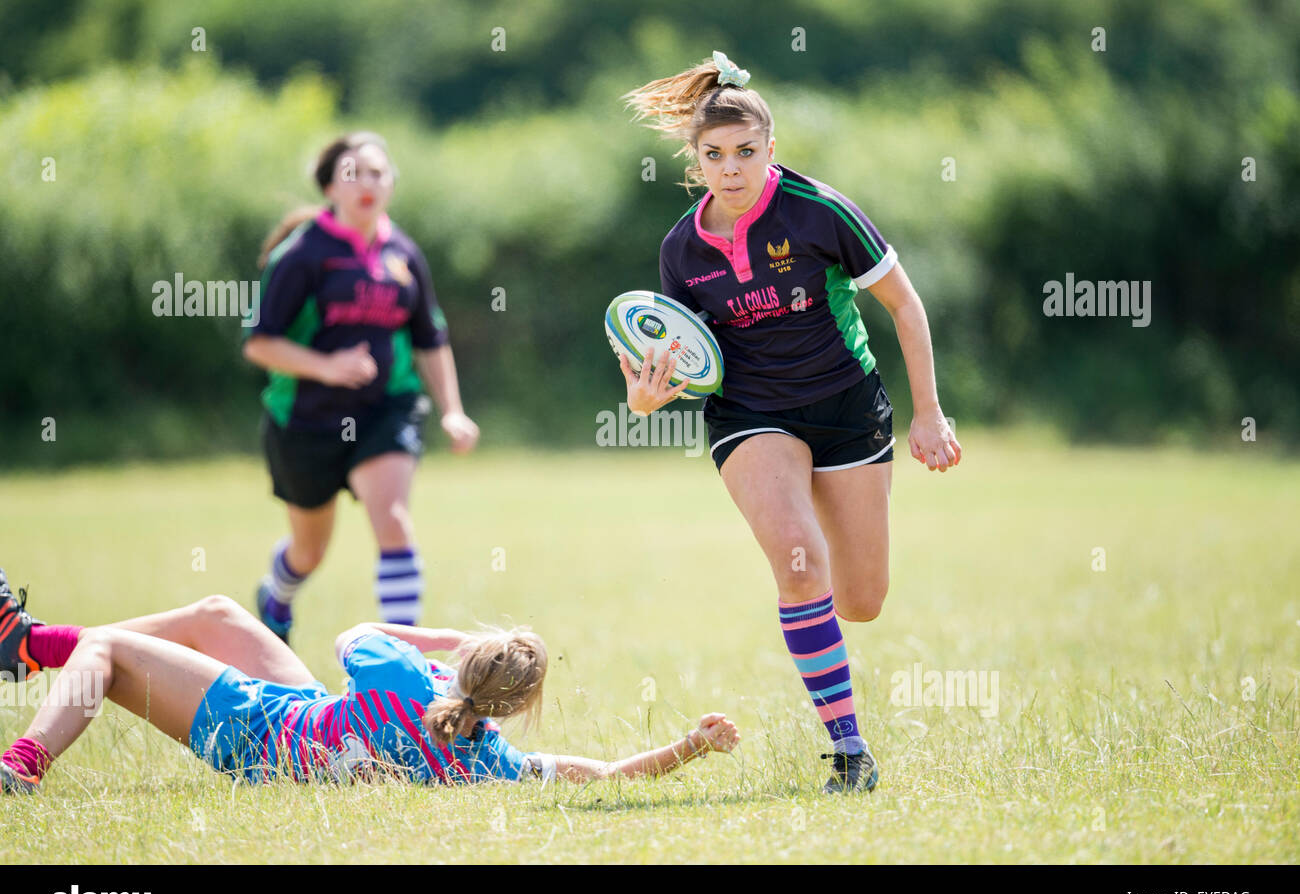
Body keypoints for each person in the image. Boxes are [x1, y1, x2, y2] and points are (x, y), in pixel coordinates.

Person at [620, 52, 962, 794]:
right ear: (695, 159)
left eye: (746, 152)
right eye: (715, 156)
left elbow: (905, 304)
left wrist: (929, 413)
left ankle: (821, 632)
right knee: (800, 560)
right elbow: (677, 356)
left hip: (846, 405)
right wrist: (647, 399)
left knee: (862, 599)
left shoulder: (820, 212)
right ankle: (848, 749)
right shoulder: (681, 249)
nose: (732, 169)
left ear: (771, 148)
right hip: (750, 414)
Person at [0, 572, 740, 792]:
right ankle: (26, 647)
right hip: (306, 722)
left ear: (463, 662)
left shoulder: (401, 673)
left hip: (256, 728)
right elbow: (604, 771)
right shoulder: (484, 762)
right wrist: (690, 745)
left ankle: (24, 758)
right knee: (217, 612)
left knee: (104, 648)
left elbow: (350, 632)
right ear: (512, 709)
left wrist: (439, 643)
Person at [242, 131, 480, 643]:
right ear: (330, 186)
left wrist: (452, 411)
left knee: (393, 522)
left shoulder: (404, 253)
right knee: (309, 552)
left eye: (377, 172)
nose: (366, 183)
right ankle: (276, 595)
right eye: (353, 174)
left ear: (391, 183)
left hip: (385, 410)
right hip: (306, 418)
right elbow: (260, 344)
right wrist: (326, 367)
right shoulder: (303, 253)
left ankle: (401, 663)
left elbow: (431, 338)